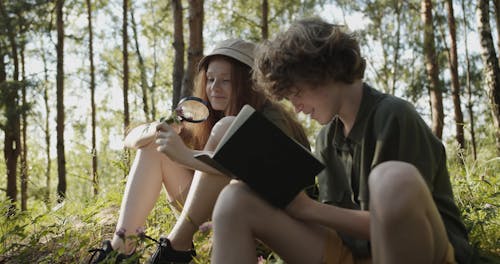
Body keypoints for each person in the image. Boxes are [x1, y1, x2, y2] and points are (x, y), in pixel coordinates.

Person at [210, 17, 473, 264]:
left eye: (297, 93)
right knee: (235, 201)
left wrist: (306, 208)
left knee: (392, 179)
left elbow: (399, 227)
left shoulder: (394, 116)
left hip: (425, 252)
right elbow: (335, 223)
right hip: (353, 253)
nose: (298, 108)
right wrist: (271, 210)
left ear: (324, 71)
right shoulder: (327, 138)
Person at [88, 38, 309, 264]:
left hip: (265, 220)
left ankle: (176, 249)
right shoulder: (204, 114)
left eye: (226, 81)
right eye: (211, 79)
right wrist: (160, 127)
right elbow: (130, 139)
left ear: (250, 83)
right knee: (155, 146)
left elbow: (263, 179)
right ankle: (121, 249)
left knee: (226, 136)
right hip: (214, 213)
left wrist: (187, 157)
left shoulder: (272, 119)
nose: (214, 88)